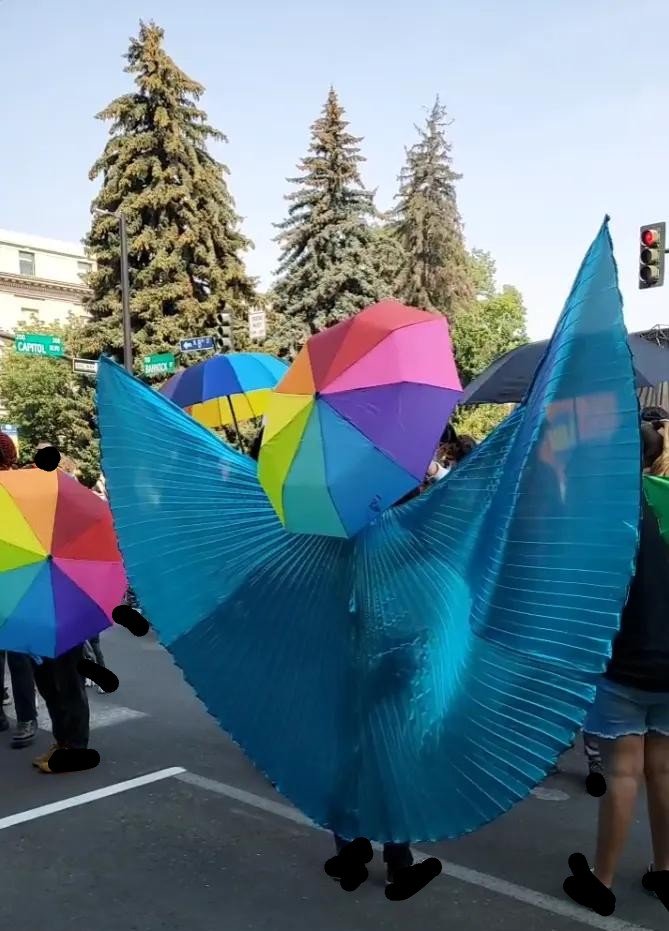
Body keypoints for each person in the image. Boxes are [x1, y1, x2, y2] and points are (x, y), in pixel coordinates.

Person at [579, 422, 669, 897]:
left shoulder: (607, 515)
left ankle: (603, 880)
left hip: (625, 661)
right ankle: (664, 869)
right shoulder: (666, 500)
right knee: (664, 771)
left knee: (622, 773)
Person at [0, 431, 39, 748]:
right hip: (22, 579)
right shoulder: (27, 487)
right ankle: (26, 718)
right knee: (18, 655)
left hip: (12, 579)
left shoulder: (17, 489)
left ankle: (15, 716)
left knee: (13, 655)